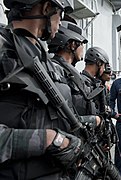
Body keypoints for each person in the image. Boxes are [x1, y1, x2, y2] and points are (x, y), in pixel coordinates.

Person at [0, 0, 84, 179]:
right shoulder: (3, 49)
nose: (60, 22)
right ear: (46, 8)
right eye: (59, 15)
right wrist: (47, 140)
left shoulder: (46, 61)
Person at [47, 19, 101, 128]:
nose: (83, 49)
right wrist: (94, 120)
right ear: (72, 45)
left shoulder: (63, 71)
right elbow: (61, 117)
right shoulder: (57, 72)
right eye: (81, 44)